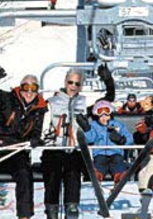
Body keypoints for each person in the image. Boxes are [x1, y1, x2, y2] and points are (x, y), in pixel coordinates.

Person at [0, 67, 47, 219]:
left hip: (17, 152)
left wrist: (34, 140)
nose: (29, 92)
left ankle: (24, 216)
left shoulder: (39, 109)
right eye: (26, 87)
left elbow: (36, 131)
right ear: (21, 87)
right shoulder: (5, 99)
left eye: (33, 88)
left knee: (25, 175)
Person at [41, 69, 88, 219]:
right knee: (53, 172)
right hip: (55, 147)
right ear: (65, 82)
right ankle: (51, 211)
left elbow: (107, 102)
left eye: (77, 83)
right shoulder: (52, 102)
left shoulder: (84, 102)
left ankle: (72, 209)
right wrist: (49, 140)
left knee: (73, 171)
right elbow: (43, 127)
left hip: (74, 149)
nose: (73, 86)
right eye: (70, 82)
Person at [77, 100, 133, 182]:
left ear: (110, 115)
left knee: (118, 163)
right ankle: (98, 175)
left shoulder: (117, 125)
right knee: (99, 163)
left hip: (115, 152)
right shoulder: (94, 126)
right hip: (100, 153)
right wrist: (87, 129)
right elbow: (89, 139)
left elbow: (130, 139)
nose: (104, 118)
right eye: (101, 116)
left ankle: (119, 176)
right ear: (97, 116)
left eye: (106, 115)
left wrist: (122, 140)